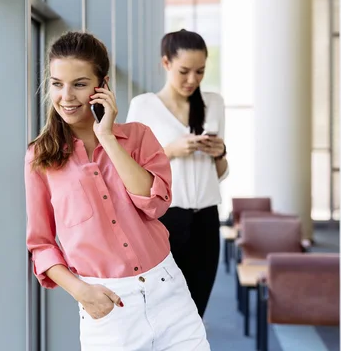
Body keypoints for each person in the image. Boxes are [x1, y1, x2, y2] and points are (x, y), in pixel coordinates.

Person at [25, 31, 210, 350]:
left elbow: (155, 204)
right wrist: (82, 292)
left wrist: (107, 137)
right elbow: (41, 245)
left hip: (168, 293)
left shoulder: (138, 137)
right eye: (57, 83)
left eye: (79, 84)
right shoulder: (40, 158)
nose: (66, 96)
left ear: (102, 86)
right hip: (108, 305)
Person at [126, 29, 228, 318]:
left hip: (207, 218)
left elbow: (218, 174)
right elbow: (129, 170)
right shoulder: (144, 105)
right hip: (165, 218)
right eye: (184, 71)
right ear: (166, 64)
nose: (192, 80)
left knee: (196, 311)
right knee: (162, 311)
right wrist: (170, 151)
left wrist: (219, 152)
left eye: (200, 71)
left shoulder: (214, 103)